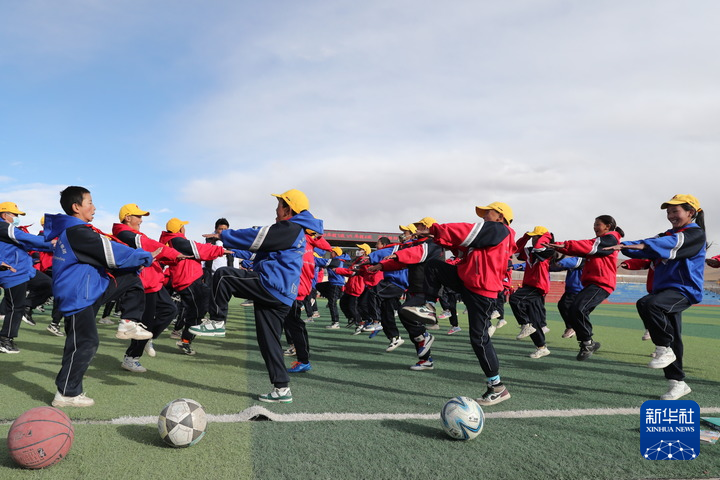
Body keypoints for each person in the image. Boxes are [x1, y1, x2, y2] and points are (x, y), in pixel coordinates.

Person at [204, 189, 323, 404]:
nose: (276, 209)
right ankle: (282, 388)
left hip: (272, 286)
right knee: (269, 342)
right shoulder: (294, 231)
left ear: (288, 209)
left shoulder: (290, 227)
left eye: (278, 205)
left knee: (223, 276)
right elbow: (258, 248)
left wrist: (224, 236)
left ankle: (217, 321)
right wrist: (230, 247)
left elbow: (257, 235)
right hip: (282, 296)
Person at [44, 186, 154, 407]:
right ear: (76, 207)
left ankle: (128, 322)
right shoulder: (77, 232)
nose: (94, 207)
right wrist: (144, 256)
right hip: (78, 296)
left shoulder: (76, 230)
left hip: (89, 290)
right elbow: (110, 251)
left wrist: (136, 261)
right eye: (90, 202)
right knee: (84, 342)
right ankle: (66, 393)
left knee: (131, 279)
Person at [409, 203, 517, 406]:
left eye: (488, 212)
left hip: (481, 290)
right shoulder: (492, 235)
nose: (484, 216)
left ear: (500, 217)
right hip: (470, 282)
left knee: (479, 339)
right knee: (434, 267)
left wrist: (435, 229)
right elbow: (462, 249)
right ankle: (429, 307)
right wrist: (439, 238)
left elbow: (463, 231)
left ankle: (497, 387)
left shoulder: (499, 229)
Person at [607, 194, 706, 400]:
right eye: (668, 212)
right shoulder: (668, 234)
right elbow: (651, 245)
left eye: (675, 211)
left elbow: (668, 243)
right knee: (668, 331)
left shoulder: (695, 234)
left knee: (649, 304)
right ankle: (677, 383)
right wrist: (625, 247)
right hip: (665, 291)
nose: (670, 215)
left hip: (684, 290)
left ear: (690, 212)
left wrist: (641, 246)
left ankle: (663, 347)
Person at [113, 204, 187, 371]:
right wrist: (174, 254)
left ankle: (146, 339)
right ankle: (131, 358)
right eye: (138, 216)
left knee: (170, 310)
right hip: (144, 284)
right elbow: (148, 245)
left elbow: (153, 252)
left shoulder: (134, 234)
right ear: (127, 218)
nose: (141, 220)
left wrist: (173, 258)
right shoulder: (124, 233)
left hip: (153, 281)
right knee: (145, 324)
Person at [545, 215, 623, 361]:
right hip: (592, 284)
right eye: (594, 224)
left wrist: (564, 244)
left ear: (608, 226)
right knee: (572, 308)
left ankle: (587, 343)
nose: (594, 227)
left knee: (578, 309)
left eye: (598, 224)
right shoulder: (601, 241)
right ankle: (587, 343)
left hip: (602, 283)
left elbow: (588, 246)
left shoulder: (611, 238)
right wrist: (560, 246)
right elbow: (580, 250)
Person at [159, 218, 228, 355]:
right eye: (183, 226)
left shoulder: (174, 241)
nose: (185, 228)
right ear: (180, 229)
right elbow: (200, 249)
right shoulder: (177, 241)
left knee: (196, 310)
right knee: (196, 311)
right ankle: (183, 338)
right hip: (188, 281)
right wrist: (220, 250)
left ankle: (184, 338)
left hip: (190, 280)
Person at [0, 202, 54, 353]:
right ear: (4, 215)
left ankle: (27, 307)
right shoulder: (3, 227)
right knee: (15, 307)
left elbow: (29, 244)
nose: (17, 217)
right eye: (15, 214)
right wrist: (53, 243)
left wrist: (52, 245)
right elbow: (26, 238)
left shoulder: (8, 229)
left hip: (25, 270)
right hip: (12, 273)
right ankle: (5, 339)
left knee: (48, 284)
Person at [509, 226, 554, 358]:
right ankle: (541, 347)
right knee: (534, 321)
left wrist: (546, 236)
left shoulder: (548, 250)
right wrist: (525, 237)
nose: (533, 239)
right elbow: (515, 250)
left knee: (514, 299)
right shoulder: (529, 251)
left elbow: (540, 247)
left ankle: (525, 324)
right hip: (529, 286)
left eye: (535, 237)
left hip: (538, 286)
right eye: (533, 237)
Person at [368, 236, 408, 351]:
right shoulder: (401, 247)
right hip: (394, 282)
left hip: (396, 282)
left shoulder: (400, 248)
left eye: (406, 232)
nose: (402, 236)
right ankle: (395, 338)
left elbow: (380, 254)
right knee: (387, 312)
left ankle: (376, 321)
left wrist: (364, 260)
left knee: (373, 293)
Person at [551, 254, 585, 339]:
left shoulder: (581, 259)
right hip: (572, 290)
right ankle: (575, 329)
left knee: (565, 305)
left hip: (578, 290)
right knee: (564, 306)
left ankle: (572, 327)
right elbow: (558, 267)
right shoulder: (575, 260)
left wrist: (552, 263)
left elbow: (565, 263)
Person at [316, 247, 349, 329]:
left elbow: (321, 261)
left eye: (332, 252)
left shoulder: (335, 261)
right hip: (334, 283)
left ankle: (336, 322)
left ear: (336, 253)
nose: (331, 253)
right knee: (318, 286)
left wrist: (309, 257)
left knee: (332, 304)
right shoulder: (338, 260)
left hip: (336, 284)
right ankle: (331, 298)